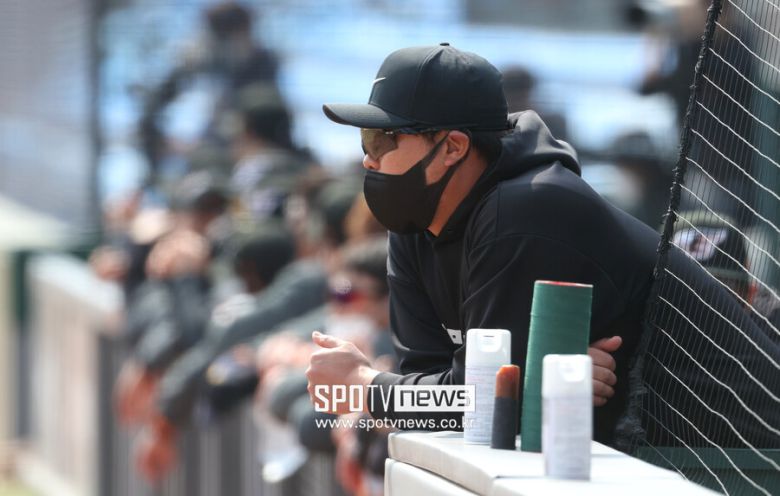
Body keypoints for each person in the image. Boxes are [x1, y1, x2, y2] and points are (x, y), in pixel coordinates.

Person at [306, 43, 780, 449]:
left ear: (452, 147)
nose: (367, 158)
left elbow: (475, 406)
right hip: (639, 457)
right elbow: (440, 394)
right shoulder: (416, 221)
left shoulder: (528, 208)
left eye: (383, 139)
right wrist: (531, 388)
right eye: (366, 139)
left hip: (737, 458)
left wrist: (364, 386)